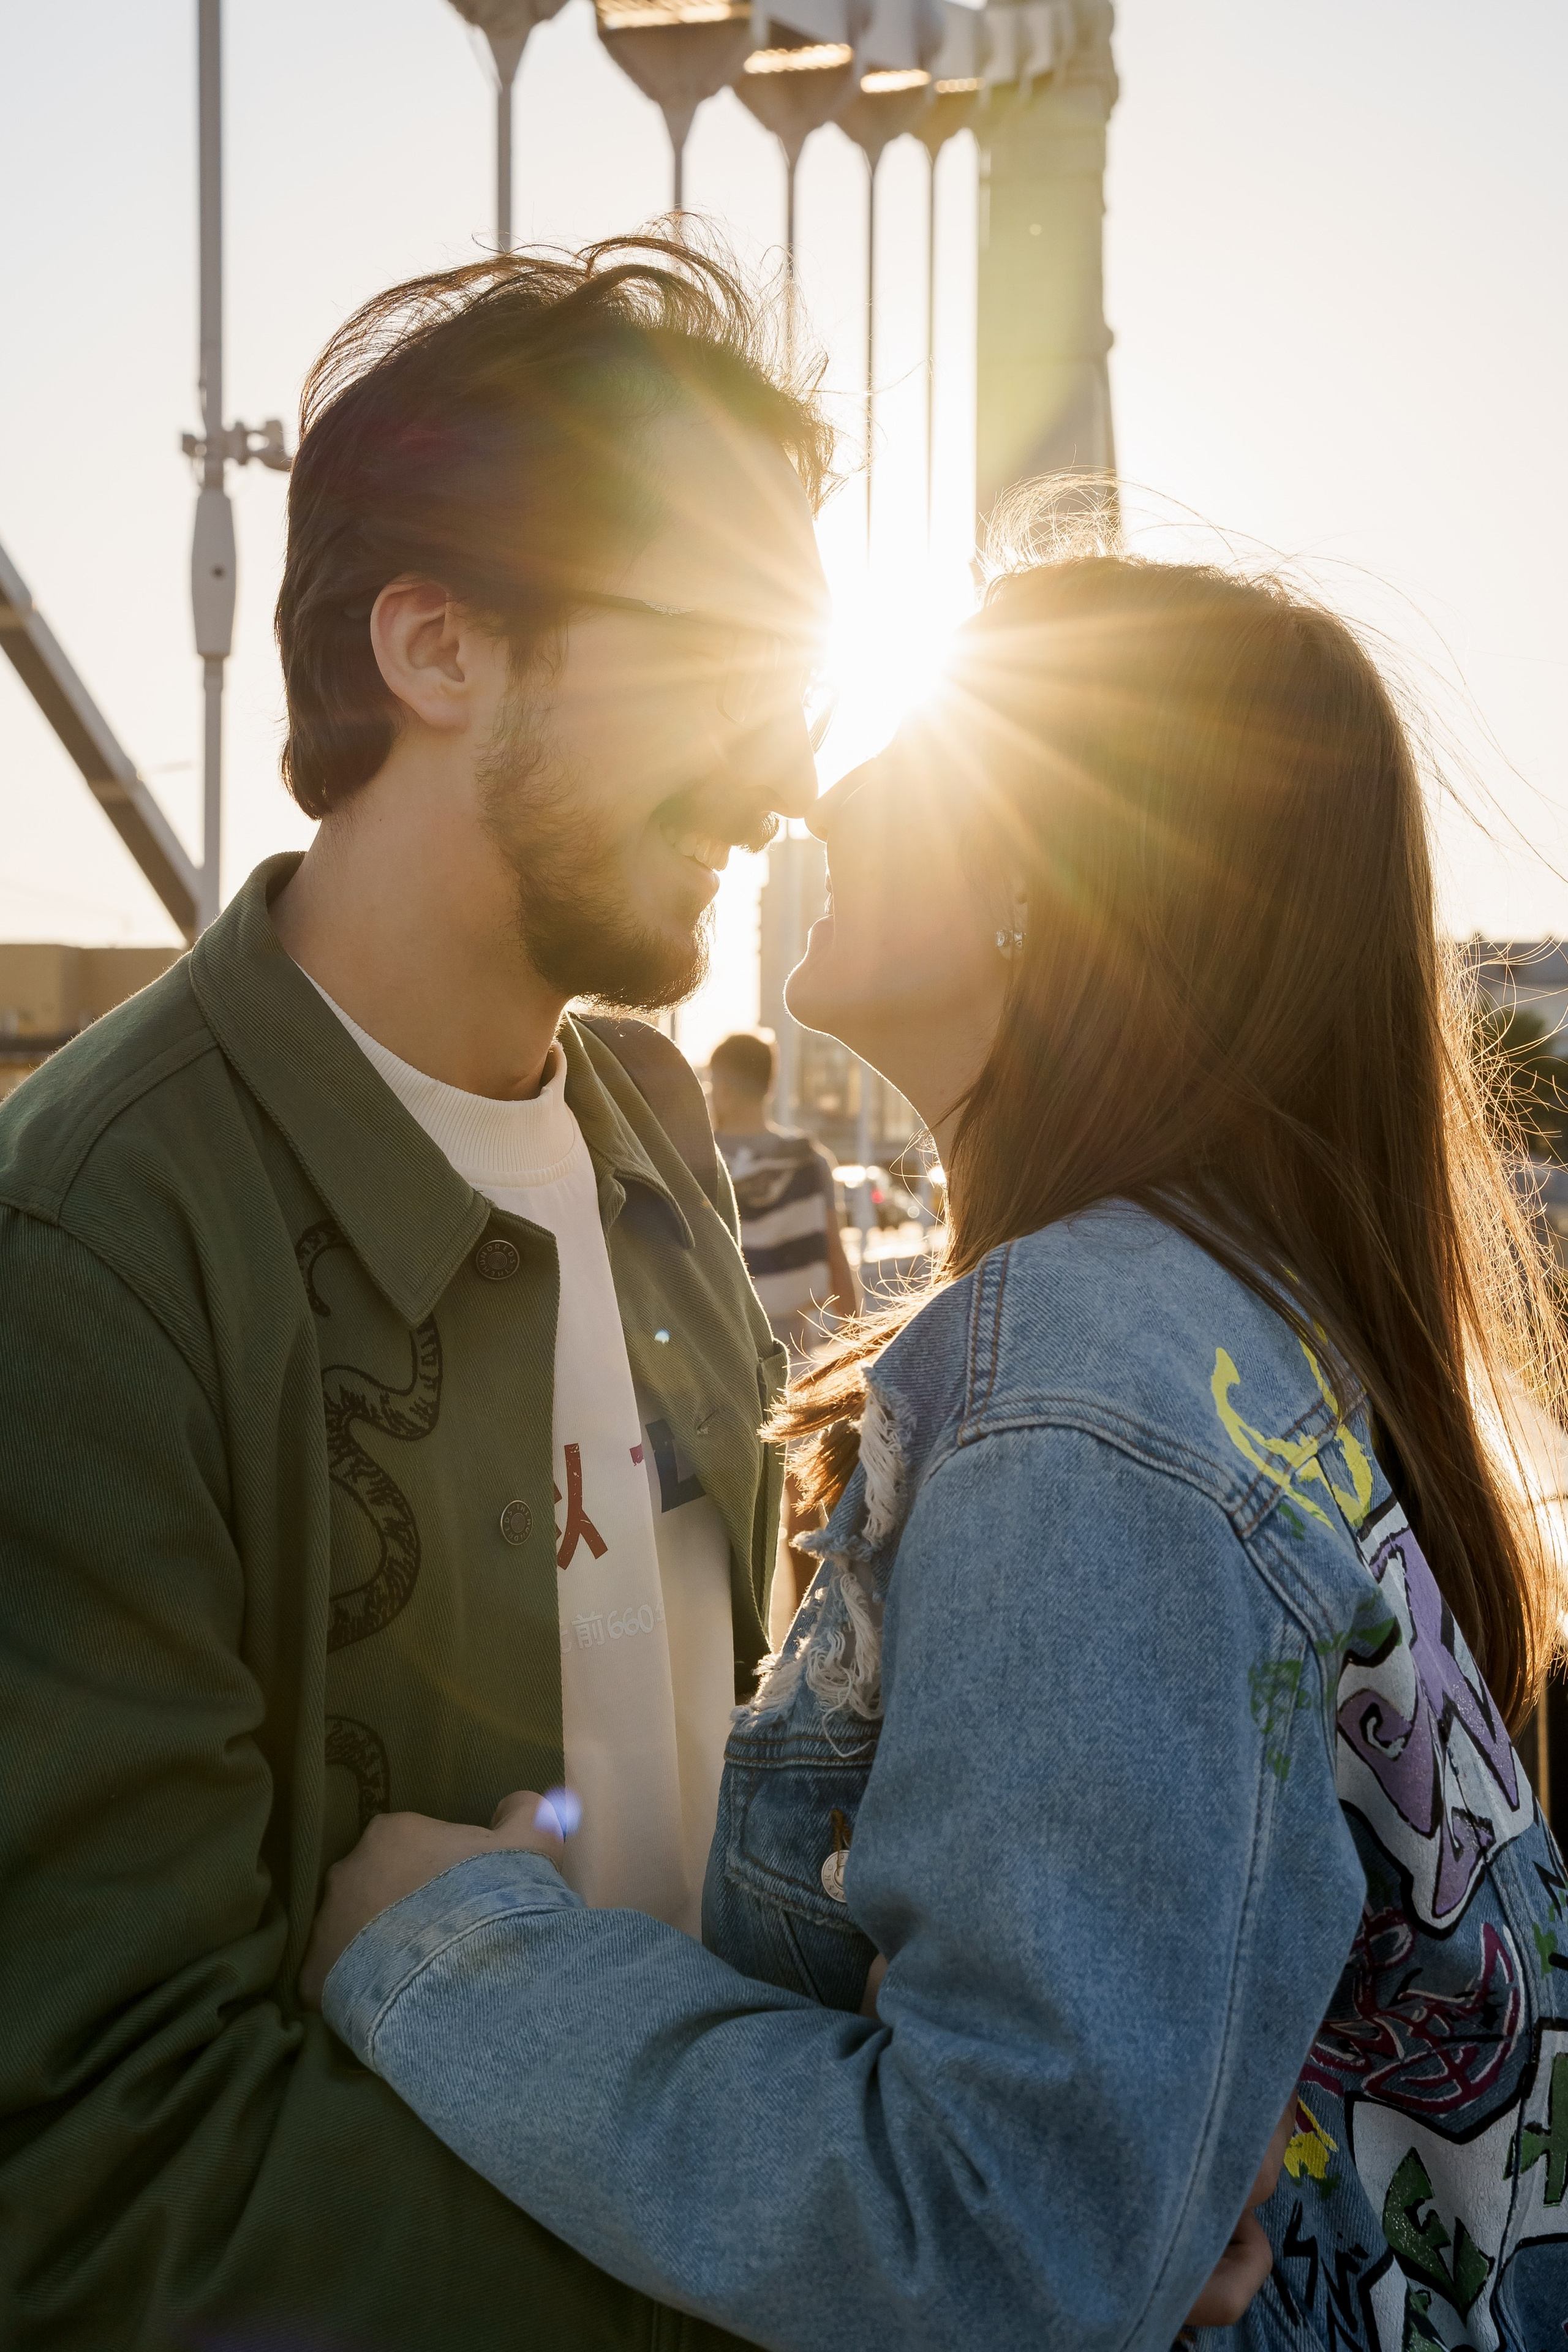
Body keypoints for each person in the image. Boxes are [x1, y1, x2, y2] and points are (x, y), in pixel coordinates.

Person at [301, 538, 1568, 2350]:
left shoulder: (1080, 1391)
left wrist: (448, 1950)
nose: (821, 775)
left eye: (911, 730)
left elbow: (1001, 2249)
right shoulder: (1230, 1328)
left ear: (1045, 868)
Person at [0, 238, 834, 2350]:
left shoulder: (652, 1126)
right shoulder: (98, 1254)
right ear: (439, 648)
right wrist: (830, 2260)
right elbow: (107, 2185)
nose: (786, 769)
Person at [709, 1028, 858, 1355]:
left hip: (719, 1345)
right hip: (794, 1346)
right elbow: (835, 1255)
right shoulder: (810, 1161)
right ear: (770, 1087)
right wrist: (858, 1347)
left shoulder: (701, 1162)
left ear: (723, 1089)